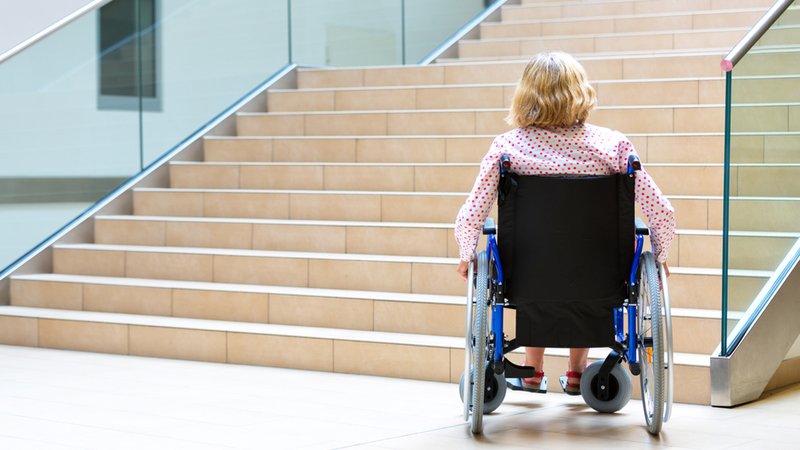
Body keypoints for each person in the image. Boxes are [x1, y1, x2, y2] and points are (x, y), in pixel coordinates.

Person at [453, 51, 676, 395]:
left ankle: (532, 371)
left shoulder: (507, 148)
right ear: (581, 92)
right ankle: (577, 373)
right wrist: (661, 254)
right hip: (601, 279)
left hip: (528, 278)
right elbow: (661, 211)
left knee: (539, 265)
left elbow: (473, 213)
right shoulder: (613, 146)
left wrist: (466, 253)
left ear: (526, 95)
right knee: (583, 264)